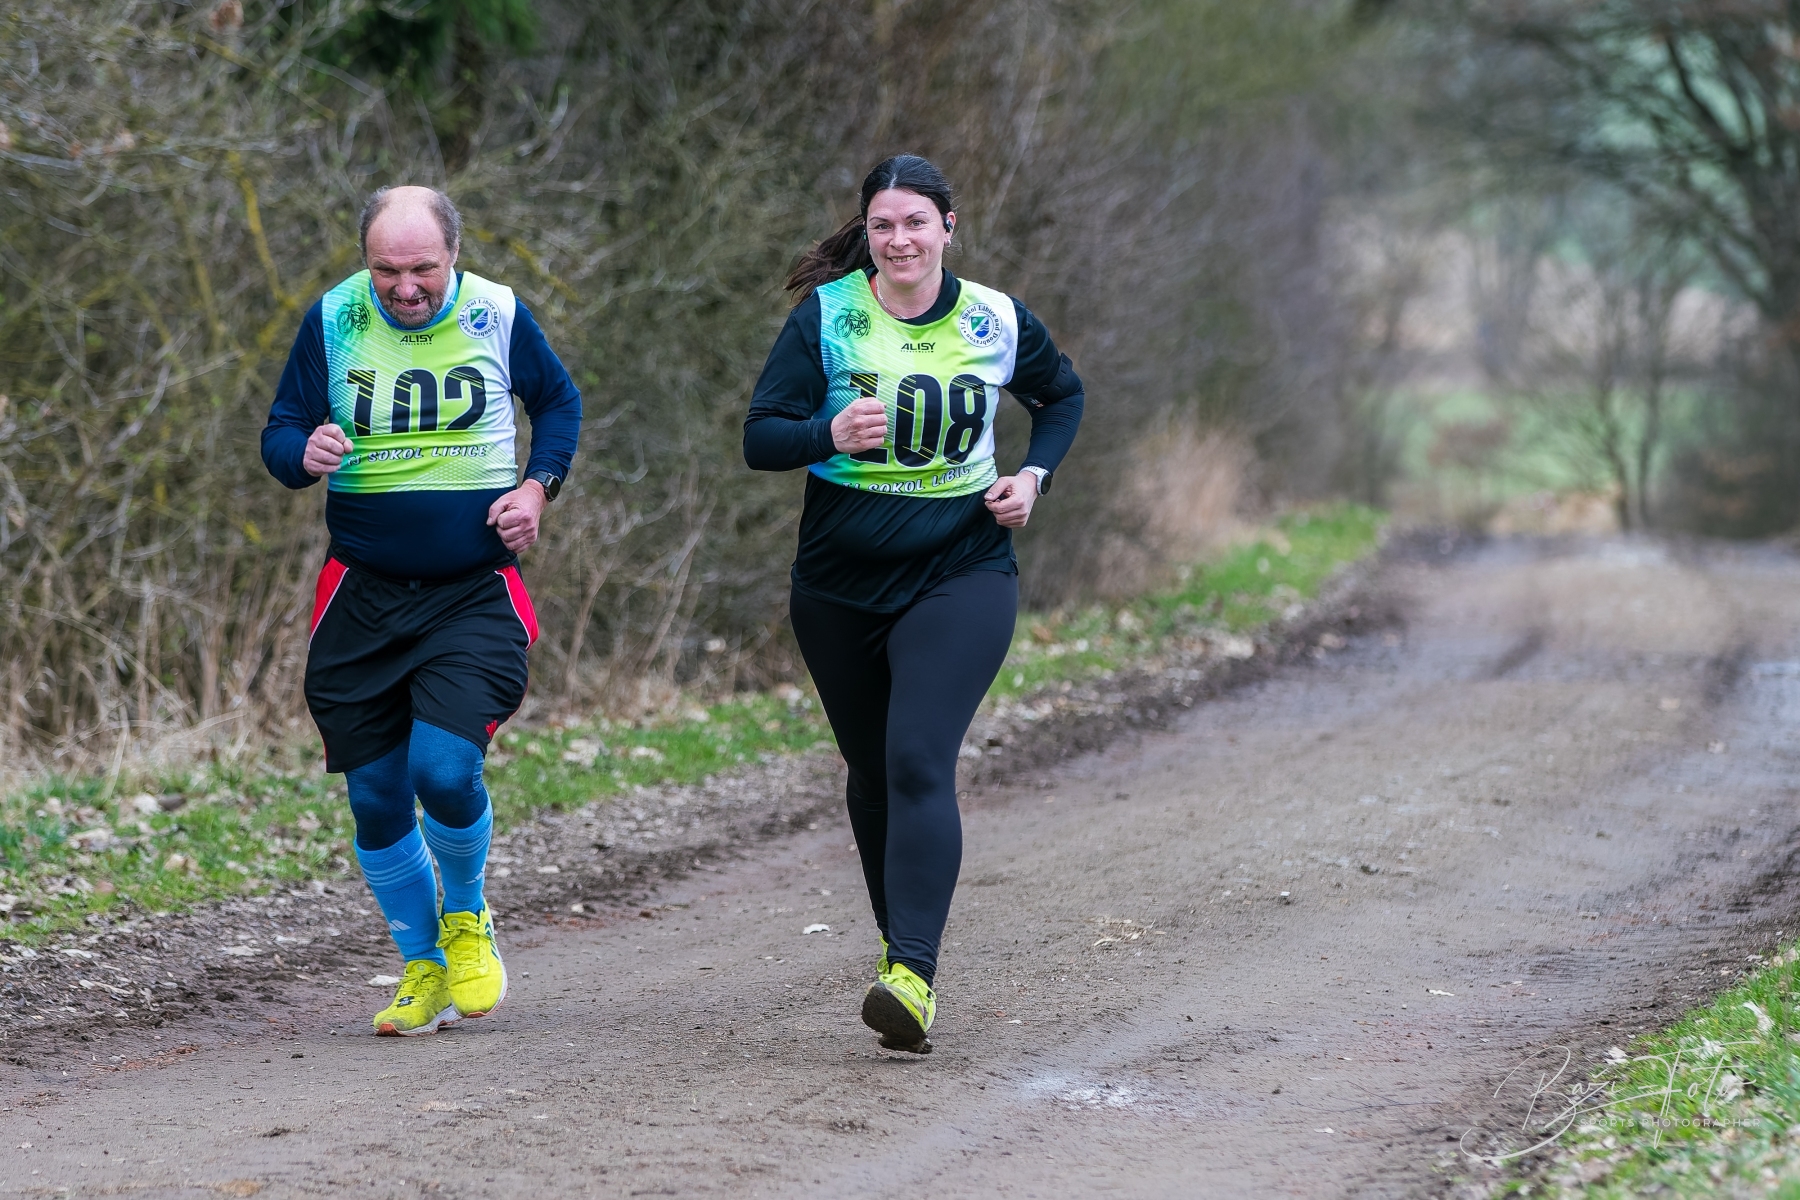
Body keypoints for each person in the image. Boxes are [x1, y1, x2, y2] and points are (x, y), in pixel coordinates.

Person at [743, 155, 1084, 1053]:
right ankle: (903, 958)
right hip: (838, 585)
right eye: (883, 225)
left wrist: (1032, 478)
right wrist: (825, 431)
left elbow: (1061, 397)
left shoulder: (993, 319)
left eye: (916, 223)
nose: (900, 240)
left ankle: (913, 975)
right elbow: (760, 438)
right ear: (867, 232)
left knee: (918, 758)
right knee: (871, 771)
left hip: (961, 569)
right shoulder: (828, 317)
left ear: (948, 228)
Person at [261, 186, 580, 1036]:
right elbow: (280, 433)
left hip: (472, 591)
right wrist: (303, 450)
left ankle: (467, 916)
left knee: (442, 770)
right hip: (360, 595)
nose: (405, 288)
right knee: (374, 795)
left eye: (422, 270)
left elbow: (558, 403)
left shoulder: (496, 314)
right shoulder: (334, 319)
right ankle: (423, 967)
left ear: (454, 256)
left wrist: (537, 488)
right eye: (386, 271)